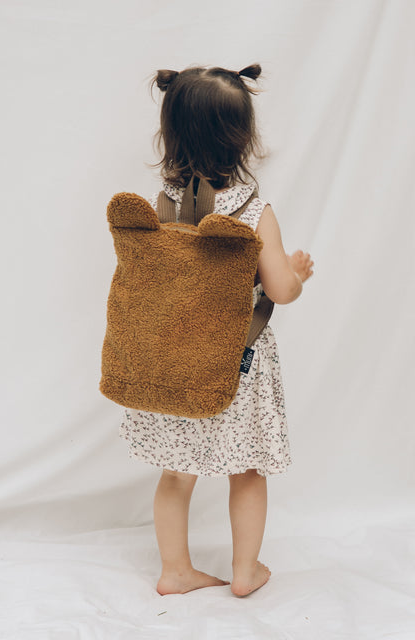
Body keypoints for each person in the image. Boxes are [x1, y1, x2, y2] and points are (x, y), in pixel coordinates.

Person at [118, 63, 314, 598]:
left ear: (171, 131)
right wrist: (295, 274)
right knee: (247, 468)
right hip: (236, 366)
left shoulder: (159, 206)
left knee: (176, 472)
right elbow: (277, 290)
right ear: (243, 136)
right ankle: (246, 571)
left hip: (175, 360)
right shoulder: (252, 210)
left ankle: (175, 570)